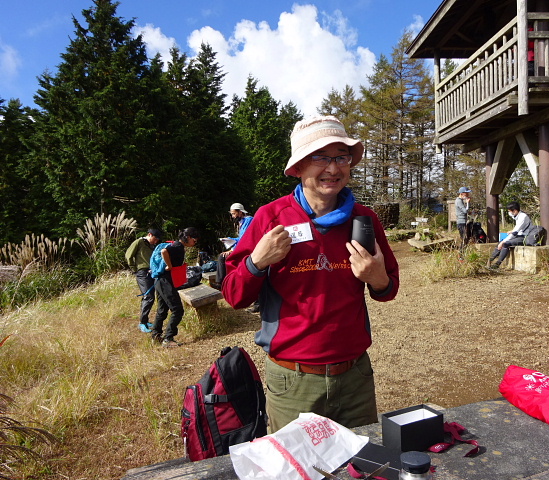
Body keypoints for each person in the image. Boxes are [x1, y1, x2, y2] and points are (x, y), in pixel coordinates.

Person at [221, 115, 400, 432]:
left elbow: (388, 290)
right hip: (293, 381)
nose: (333, 169)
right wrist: (256, 263)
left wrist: (377, 277)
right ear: (298, 167)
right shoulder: (270, 217)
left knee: (362, 466)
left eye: (340, 157)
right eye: (320, 157)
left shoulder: (364, 218)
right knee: (299, 471)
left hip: (355, 376)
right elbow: (234, 295)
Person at [151, 227, 199, 348]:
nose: (195, 243)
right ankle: (168, 339)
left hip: (159, 281)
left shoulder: (177, 245)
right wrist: (169, 266)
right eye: (195, 240)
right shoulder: (177, 247)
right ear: (188, 237)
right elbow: (163, 252)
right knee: (177, 309)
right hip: (165, 281)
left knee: (162, 310)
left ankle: (155, 336)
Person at [125, 228, 163, 333]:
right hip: (142, 272)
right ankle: (142, 323)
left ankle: (145, 321)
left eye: (157, 240)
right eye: (155, 239)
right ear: (150, 234)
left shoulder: (153, 246)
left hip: (152, 272)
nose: (156, 242)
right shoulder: (139, 242)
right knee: (149, 296)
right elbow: (128, 256)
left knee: (150, 296)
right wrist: (135, 270)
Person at [215, 203, 254, 286]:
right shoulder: (243, 222)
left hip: (248, 249)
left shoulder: (248, 220)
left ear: (240, 212)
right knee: (223, 256)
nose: (232, 216)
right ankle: (224, 282)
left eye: (233, 213)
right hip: (244, 248)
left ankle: (221, 283)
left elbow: (244, 240)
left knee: (222, 257)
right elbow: (241, 238)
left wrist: (232, 250)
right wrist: (229, 239)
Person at [487, 201, 532, 269]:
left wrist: (503, 242)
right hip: (519, 235)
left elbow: (515, 233)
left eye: (510, 211)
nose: (509, 213)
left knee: (505, 244)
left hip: (524, 237)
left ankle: (497, 264)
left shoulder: (523, 217)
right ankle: (489, 261)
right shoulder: (517, 215)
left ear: (515, 210)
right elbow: (517, 229)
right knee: (500, 243)